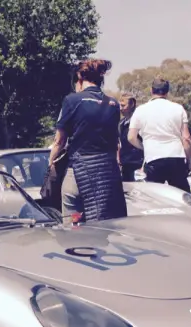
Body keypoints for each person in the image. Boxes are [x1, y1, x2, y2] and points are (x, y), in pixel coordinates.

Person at [48, 58, 127, 222]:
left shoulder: (72, 100)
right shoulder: (113, 104)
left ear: (79, 77)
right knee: (104, 228)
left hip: (78, 172)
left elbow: (59, 142)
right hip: (106, 176)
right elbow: (114, 141)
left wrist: (51, 162)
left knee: (73, 229)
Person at [128, 77, 191, 193]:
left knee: (154, 198)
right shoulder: (178, 109)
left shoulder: (141, 110)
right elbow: (186, 139)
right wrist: (188, 162)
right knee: (183, 197)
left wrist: (144, 147)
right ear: (167, 92)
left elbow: (131, 137)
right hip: (176, 157)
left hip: (154, 157)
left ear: (151, 91)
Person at [118, 93, 144, 182]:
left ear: (132, 104)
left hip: (138, 165)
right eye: (119, 106)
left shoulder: (140, 120)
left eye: (123, 105)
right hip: (125, 165)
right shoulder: (121, 123)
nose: (120, 108)